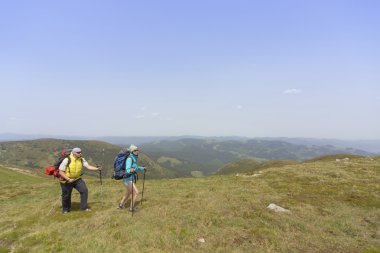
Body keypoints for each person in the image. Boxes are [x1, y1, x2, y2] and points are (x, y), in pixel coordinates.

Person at [58, 147, 101, 213]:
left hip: (77, 179)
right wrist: (68, 179)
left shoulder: (81, 159)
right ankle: (65, 210)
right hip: (66, 180)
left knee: (84, 190)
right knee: (66, 195)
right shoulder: (67, 160)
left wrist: (97, 169)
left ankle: (84, 208)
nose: (80, 153)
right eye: (78, 152)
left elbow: (88, 166)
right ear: (74, 153)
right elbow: (60, 171)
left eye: (80, 152)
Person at [117, 144, 146, 212]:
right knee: (136, 192)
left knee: (128, 192)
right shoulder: (129, 159)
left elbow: (136, 167)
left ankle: (121, 205)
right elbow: (127, 170)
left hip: (129, 179)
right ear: (132, 151)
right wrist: (131, 170)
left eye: (137, 150)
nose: (137, 151)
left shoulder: (133, 158)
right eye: (135, 150)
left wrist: (143, 168)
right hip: (128, 179)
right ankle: (131, 208)